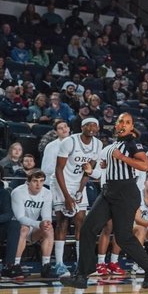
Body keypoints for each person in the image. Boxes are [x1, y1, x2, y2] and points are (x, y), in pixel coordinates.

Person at [67, 112, 148, 290]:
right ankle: (82, 275)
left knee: (123, 237)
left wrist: (123, 158)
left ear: (131, 127)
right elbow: (105, 169)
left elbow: (145, 165)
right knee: (87, 228)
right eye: (121, 122)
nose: (123, 124)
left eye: (127, 122)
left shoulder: (133, 144)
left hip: (126, 192)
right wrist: (97, 168)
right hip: (108, 190)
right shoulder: (111, 146)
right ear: (116, 125)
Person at [52, 117, 102, 276]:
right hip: (62, 183)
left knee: (81, 222)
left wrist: (81, 190)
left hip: (78, 183)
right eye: (89, 125)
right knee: (63, 222)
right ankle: (59, 264)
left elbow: (89, 170)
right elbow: (58, 170)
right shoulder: (69, 142)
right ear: (82, 127)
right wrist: (67, 197)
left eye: (95, 125)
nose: (92, 127)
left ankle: (81, 263)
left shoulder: (98, 145)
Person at [3, 169, 56, 279]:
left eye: (41, 181)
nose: (38, 184)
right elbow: (20, 217)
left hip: (34, 228)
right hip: (15, 229)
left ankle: (46, 266)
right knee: (24, 228)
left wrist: (46, 223)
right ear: (28, 182)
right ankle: (15, 265)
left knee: (49, 229)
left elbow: (46, 215)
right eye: (35, 181)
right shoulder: (18, 192)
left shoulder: (47, 193)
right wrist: (38, 224)